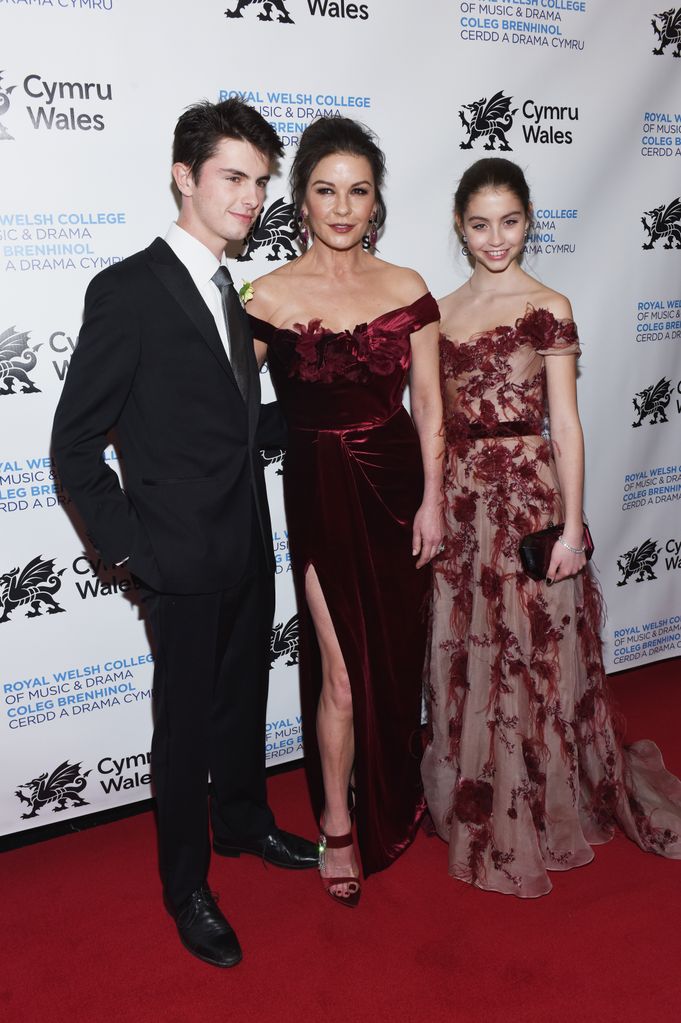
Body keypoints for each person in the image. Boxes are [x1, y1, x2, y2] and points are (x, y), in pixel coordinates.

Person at [51, 98, 318, 967]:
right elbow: (74, 447)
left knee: (241, 704)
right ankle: (186, 886)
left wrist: (332, 421)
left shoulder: (228, 291)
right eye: (233, 178)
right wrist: (132, 553)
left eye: (260, 181)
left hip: (246, 538)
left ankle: (243, 824)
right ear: (185, 176)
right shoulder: (126, 289)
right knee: (185, 730)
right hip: (175, 557)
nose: (250, 198)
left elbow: (231, 427)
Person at [421, 157, 681, 897]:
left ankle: (542, 794)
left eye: (508, 221)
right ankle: (476, 789)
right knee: (469, 645)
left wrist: (573, 528)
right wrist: (433, 502)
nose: (494, 238)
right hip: (464, 500)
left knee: (532, 645)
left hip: (528, 498)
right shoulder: (435, 312)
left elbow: (563, 423)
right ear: (458, 225)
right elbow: (433, 424)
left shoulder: (549, 304)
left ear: (528, 220)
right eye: (478, 224)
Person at [247, 117, 444, 906]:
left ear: (374, 203)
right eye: (325, 189)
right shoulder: (265, 294)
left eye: (357, 191)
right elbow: (217, 401)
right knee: (339, 671)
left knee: (394, 666)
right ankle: (336, 820)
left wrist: (432, 501)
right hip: (321, 488)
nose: (341, 205)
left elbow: (429, 407)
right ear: (300, 199)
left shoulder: (406, 287)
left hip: (400, 491)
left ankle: (390, 795)